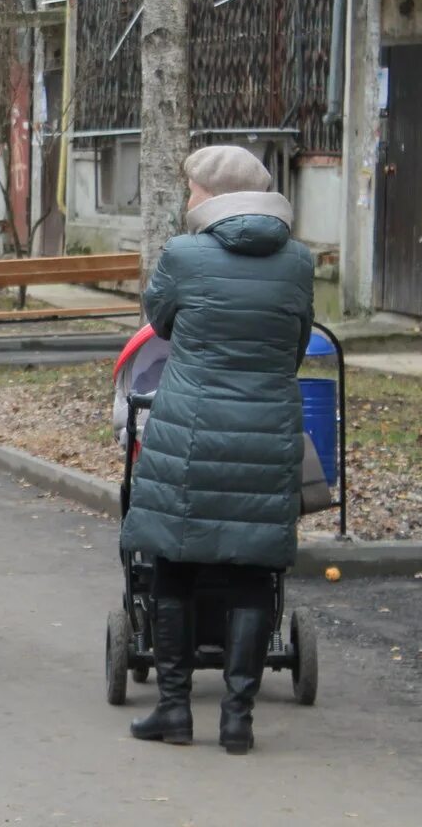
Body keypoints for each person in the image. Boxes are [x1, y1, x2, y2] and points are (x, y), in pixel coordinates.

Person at [121, 145, 314, 755]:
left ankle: (175, 711)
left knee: (175, 564)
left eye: (192, 190)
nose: (187, 200)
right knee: (255, 572)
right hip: (266, 429)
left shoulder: (184, 255)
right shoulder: (299, 263)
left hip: (191, 431)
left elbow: (161, 319)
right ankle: (238, 719)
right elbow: (298, 339)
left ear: (214, 194)